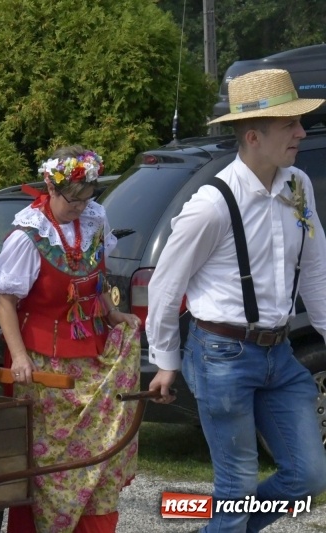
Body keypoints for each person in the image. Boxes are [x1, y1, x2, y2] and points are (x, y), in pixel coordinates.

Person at [147, 69, 326, 532]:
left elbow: (316, 269)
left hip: (280, 353)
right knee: (237, 487)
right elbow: (166, 284)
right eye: (290, 125)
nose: (302, 133)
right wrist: (165, 359)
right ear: (253, 135)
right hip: (220, 354)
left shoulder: (297, 186)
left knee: (308, 475)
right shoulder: (212, 204)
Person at [0, 145, 142, 533]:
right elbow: (6, 303)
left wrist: (113, 313)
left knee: (99, 457)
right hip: (45, 367)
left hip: (91, 357)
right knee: (51, 468)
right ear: (50, 187)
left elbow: (96, 279)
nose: (79, 206)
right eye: (71, 199)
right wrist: (19, 357)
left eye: (86, 197)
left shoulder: (94, 220)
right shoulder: (28, 235)